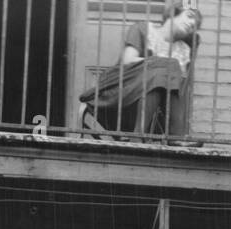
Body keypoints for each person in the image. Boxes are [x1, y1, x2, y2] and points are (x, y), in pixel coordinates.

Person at [79, 3, 202, 136]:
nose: (191, 24)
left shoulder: (184, 50)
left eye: (195, 25)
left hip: (155, 106)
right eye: (189, 16)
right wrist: (159, 63)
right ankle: (175, 136)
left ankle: (139, 135)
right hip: (121, 89)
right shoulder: (143, 29)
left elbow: (179, 90)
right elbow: (128, 61)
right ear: (173, 13)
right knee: (165, 68)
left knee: (162, 75)